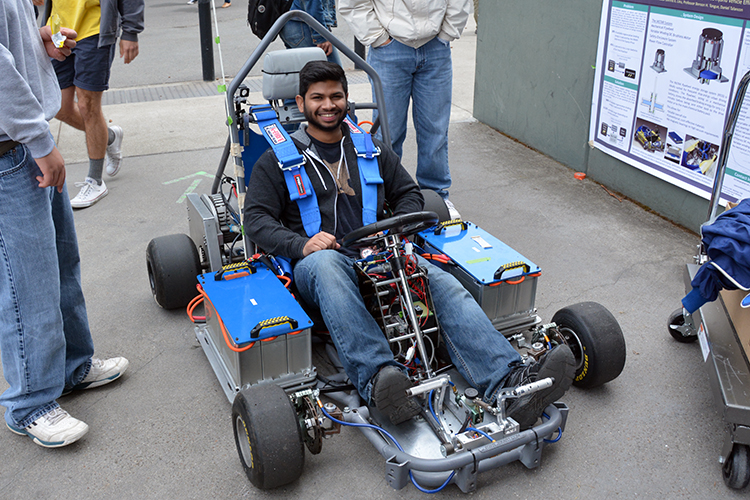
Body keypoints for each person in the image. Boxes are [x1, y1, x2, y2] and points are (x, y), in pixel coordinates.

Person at [244, 61, 575, 427]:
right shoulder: (277, 161)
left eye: (336, 96)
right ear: (300, 102)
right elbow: (255, 220)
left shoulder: (370, 149)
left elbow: (409, 195)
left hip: (380, 255)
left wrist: (395, 230)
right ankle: (380, 381)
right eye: (317, 97)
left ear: (346, 99)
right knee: (327, 264)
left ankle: (510, 382)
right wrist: (301, 244)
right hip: (317, 269)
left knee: (442, 284)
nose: (328, 105)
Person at [0, 0, 129, 449]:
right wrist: (38, 139)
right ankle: (29, 402)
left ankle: (73, 364)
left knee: (59, 262)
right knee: (26, 284)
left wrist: (38, 45)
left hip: (18, 143)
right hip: (10, 148)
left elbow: (7, 42)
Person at [338, 0, 471, 219]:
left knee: (435, 131)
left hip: (435, 45)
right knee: (389, 133)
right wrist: (379, 39)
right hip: (390, 47)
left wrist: (446, 33)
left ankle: (436, 196)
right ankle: (386, 196)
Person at [49, 0, 145, 209]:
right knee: (58, 106)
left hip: (95, 29)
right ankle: (108, 136)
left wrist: (131, 31)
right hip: (58, 30)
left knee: (88, 106)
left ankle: (95, 181)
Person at [281, 0, 341, 65]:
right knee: (332, 72)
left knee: (301, 70)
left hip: (288, 22)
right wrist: (321, 36)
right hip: (305, 26)